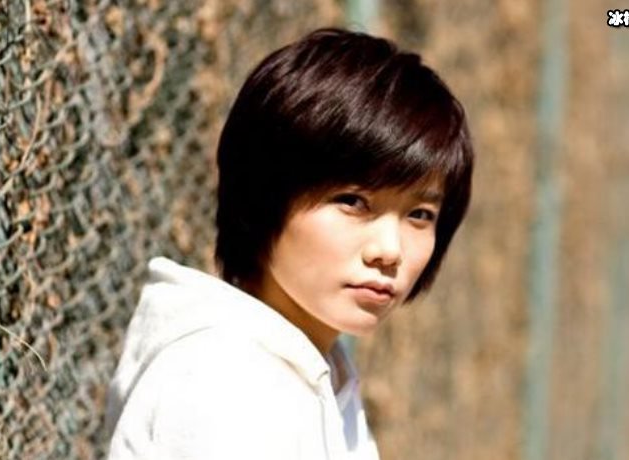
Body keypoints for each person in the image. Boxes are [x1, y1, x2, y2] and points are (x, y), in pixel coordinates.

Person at [105, 27, 474, 459]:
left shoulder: (314, 369)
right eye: (352, 201)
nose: (389, 250)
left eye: (419, 215)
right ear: (265, 195)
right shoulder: (226, 379)